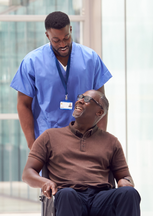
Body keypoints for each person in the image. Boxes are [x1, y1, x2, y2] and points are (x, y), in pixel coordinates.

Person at [22, 90, 151, 216]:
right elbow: (28, 173)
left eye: (87, 99)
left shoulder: (111, 142)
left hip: (101, 198)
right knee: (65, 194)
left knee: (130, 194)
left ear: (99, 112)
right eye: (80, 97)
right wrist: (44, 182)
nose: (79, 100)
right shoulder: (50, 137)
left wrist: (126, 183)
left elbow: (124, 176)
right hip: (70, 199)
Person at [11, 11, 112, 150]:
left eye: (66, 38)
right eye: (56, 40)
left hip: (85, 142)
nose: (63, 44)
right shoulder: (32, 62)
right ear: (47, 35)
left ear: (71, 29)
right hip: (48, 143)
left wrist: (100, 140)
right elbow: (23, 105)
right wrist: (32, 145)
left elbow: (101, 103)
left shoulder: (90, 58)